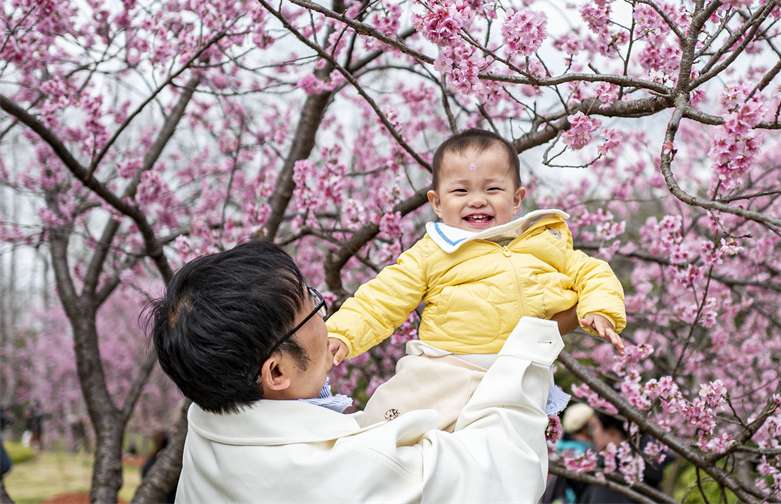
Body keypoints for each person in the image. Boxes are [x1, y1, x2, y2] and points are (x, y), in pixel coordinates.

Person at [148, 240, 563, 502]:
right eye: (311, 307)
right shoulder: (356, 468)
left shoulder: (206, 421)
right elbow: (504, 473)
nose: (325, 317)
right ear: (275, 372)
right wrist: (531, 341)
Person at [327, 128, 627, 429]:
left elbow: (593, 271)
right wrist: (343, 333)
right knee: (386, 427)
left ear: (516, 199)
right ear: (437, 203)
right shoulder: (433, 252)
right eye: (460, 191)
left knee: (484, 451)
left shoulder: (545, 242)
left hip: (514, 375)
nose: (477, 200)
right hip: (443, 367)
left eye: (492, 190)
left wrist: (599, 310)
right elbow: (384, 297)